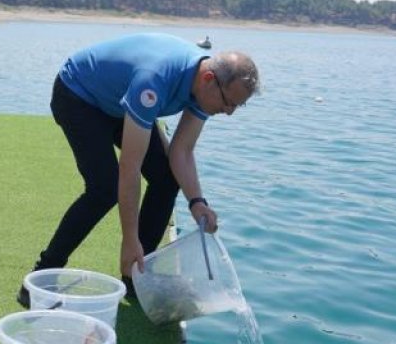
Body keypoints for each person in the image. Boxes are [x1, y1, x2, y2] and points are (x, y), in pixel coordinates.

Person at [18, 34, 259, 308]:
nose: (229, 112)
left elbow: (182, 152)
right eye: (229, 103)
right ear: (208, 80)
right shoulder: (154, 81)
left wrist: (197, 202)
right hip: (78, 95)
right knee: (104, 189)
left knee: (167, 179)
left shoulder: (204, 88)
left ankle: (135, 277)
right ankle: (39, 278)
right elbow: (130, 168)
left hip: (118, 100)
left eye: (237, 107)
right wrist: (129, 239)